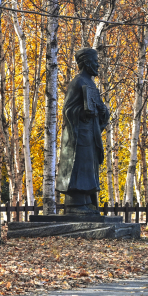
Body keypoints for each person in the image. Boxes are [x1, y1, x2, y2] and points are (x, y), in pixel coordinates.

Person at [57, 47, 110, 214]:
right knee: (78, 168)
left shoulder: (90, 83)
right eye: (95, 62)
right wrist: (83, 112)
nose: (98, 65)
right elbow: (67, 110)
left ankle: (87, 203)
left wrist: (103, 112)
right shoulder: (78, 82)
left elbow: (98, 107)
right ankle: (75, 205)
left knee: (88, 168)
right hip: (78, 136)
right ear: (87, 63)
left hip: (89, 134)